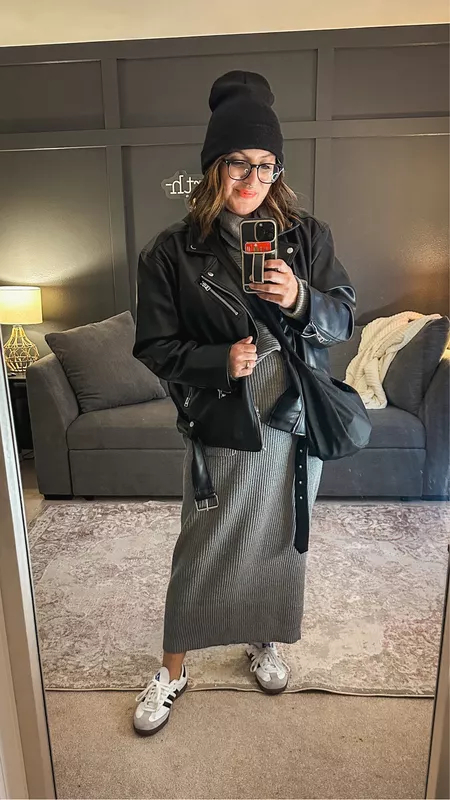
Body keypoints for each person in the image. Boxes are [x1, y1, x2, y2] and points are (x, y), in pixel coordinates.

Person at [132, 70, 356, 736]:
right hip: (222, 420)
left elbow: (344, 317)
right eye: (238, 162)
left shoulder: (307, 237)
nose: (252, 177)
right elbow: (155, 346)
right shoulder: (172, 252)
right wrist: (217, 362)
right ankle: (173, 669)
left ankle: (264, 639)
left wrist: (301, 298)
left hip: (293, 422)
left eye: (265, 164)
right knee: (201, 546)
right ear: (214, 167)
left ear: (277, 169)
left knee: (282, 540)